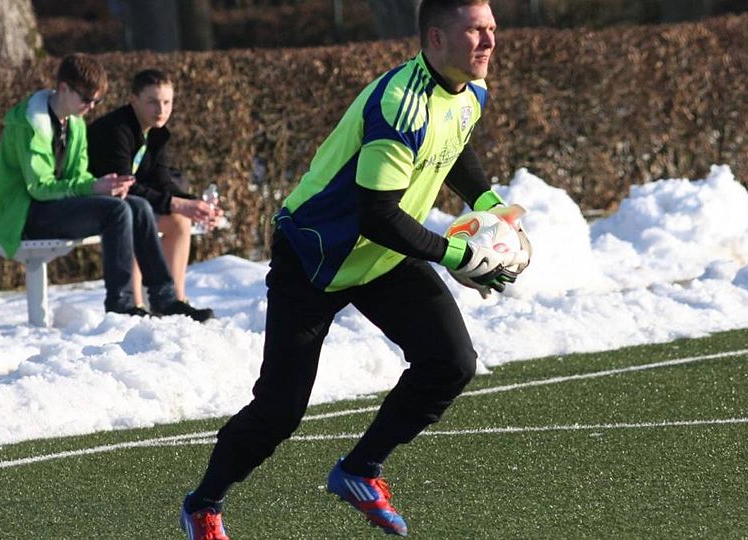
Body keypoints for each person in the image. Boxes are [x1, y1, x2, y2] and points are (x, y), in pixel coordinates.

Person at [179, 0, 532, 537]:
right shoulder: (400, 106)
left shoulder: (470, 90)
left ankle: (359, 471)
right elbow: (377, 215)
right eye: (475, 31)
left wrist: (489, 205)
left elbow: (452, 146)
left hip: (382, 256)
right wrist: (458, 255)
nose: (489, 41)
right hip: (315, 255)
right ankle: (203, 504)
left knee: (451, 362)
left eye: (491, 28)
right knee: (279, 412)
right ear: (436, 38)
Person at [0, 53, 213, 323]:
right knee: (116, 211)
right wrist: (95, 186)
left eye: (97, 101)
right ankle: (121, 303)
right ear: (64, 88)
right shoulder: (28, 124)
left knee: (138, 206)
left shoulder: (75, 123)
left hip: (56, 206)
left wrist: (105, 187)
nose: (91, 106)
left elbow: (79, 176)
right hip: (23, 215)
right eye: (86, 99)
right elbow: (40, 188)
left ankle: (165, 298)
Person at [88, 69, 220, 309]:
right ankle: (135, 306)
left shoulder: (157, 132)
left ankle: (175, 301)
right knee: (136, 215)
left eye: (167, 102)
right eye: (152, 102)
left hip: (129, 206)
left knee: (179, 221)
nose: (161, 110)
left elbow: (162, 181)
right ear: (133, 100)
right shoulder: (116, 130)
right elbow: (124, 188)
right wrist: (176, 203)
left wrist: (196, 205)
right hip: (98, 206)